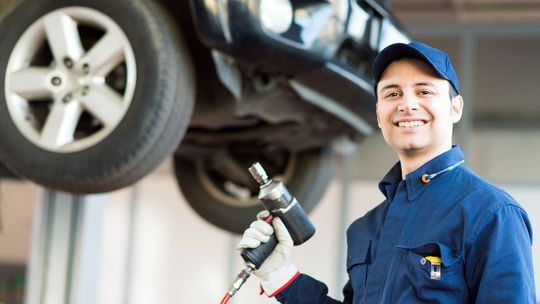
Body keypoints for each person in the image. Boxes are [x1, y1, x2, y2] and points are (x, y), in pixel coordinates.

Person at [237, 41, 537, 303]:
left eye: (424, 91)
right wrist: (278, 274)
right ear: (379, 114)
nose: (407, 104)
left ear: (454, 108)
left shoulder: (491, 213)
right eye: (392, 94)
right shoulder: (365, 228)